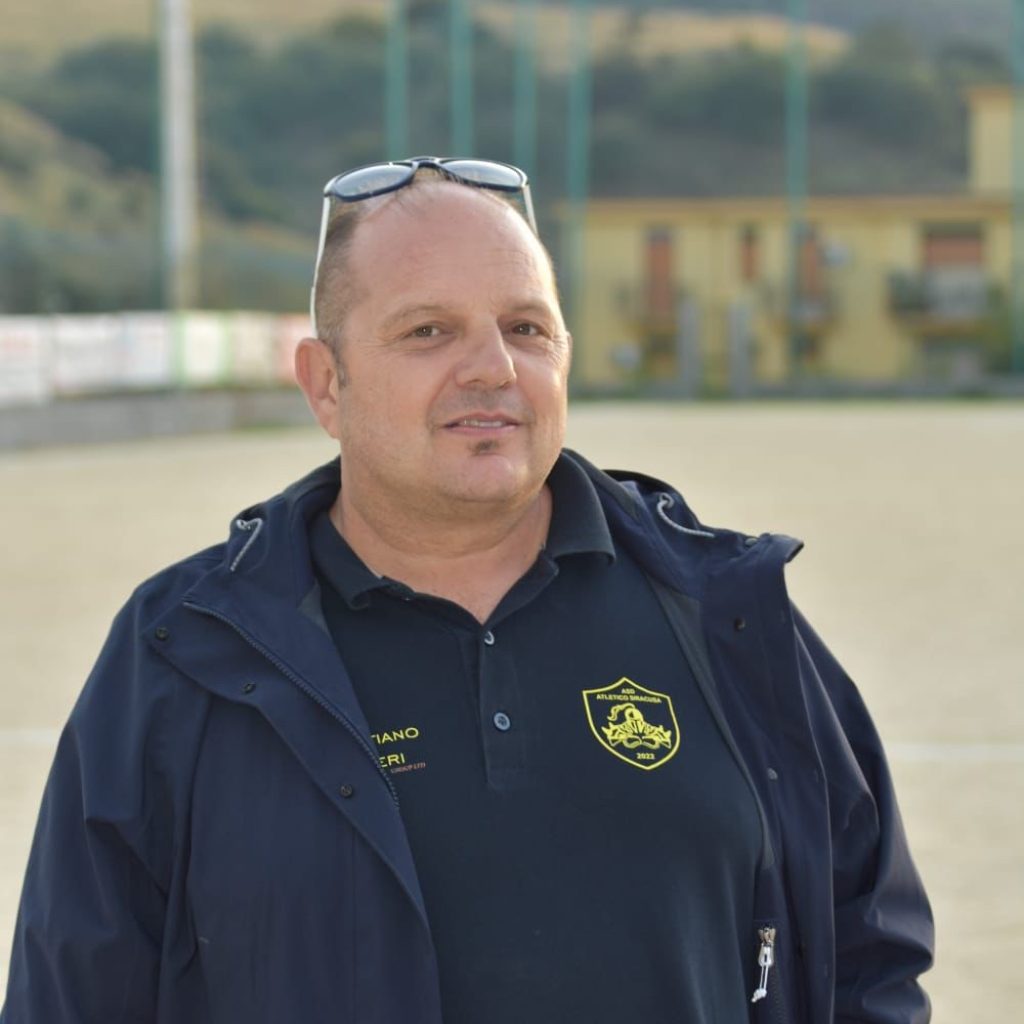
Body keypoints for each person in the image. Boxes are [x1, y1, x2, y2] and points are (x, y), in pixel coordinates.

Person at [1, 157, 933, 1023]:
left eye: (526, 328)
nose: (493, 367)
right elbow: (74, 995)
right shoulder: (189, 647)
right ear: (326, 384)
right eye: (428, 331)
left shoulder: (727, 612)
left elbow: (867, 954)